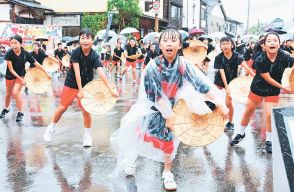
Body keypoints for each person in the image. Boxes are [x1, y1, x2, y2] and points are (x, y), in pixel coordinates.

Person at [109, 28, 228, 191]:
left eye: (173, 40)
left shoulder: (182, 64)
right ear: (160, 44)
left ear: (180, 45)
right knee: (142, 134)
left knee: (169, 141)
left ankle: (167, 173)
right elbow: (155, 95)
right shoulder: (153, 66)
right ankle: (131, 159)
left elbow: (199, 83)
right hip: (152, 107)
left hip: (172, 106)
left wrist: (218, 102)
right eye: (165, 40)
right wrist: (168, 115)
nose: (169, 44)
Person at [43, 29, 119, 147]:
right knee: (62, 107)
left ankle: (87, 135)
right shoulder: (75, 53)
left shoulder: (94, 55)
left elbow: (101, 71)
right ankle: (51, 127)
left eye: (87, 38)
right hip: (72, 83)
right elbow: (77, 72)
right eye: (82, 37)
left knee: (86, 110)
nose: (85, 40)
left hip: (86, 84)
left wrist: (111, 89)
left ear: (92, 40)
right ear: (79, 40)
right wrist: (80, 90)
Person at [230, 32, 294, 153]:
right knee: (248, 111)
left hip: (272, 91)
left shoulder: (285, 57)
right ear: (264, 45)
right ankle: (240, 133)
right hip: (258, 88)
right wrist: (284, 88)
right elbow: (268, 79)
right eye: (269, 41)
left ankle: (269, 140)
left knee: (269, 114)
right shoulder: (260, 59)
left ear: (279, 44)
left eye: (275, 40)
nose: (272, 42)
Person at [0, 35, 51, 122]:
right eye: (11, 43)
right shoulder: (9, 53)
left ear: (20, 44)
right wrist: (20, 78)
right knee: (8, 94)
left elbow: (36, 64)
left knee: (16, 92)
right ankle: (6, 108)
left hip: (22, 75)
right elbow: (11, 69)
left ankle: (20, 112)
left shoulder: (26, 54)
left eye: (15, 43)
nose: (13, 45)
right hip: (10, 75)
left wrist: (46, 72)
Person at [214, 36, 255, 132]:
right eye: (223, 44)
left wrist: (256, 77)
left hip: (232, 82)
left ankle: (230, 122)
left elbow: (247, 68)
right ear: (220, 46)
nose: (225, 46)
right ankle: (211, 119)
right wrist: (226, 86)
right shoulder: (218, 57)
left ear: (232, 45)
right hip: (219, 81)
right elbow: (222, 72)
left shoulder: (237, 56)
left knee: (228, 103)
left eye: (227, 43)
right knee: (211, 99)